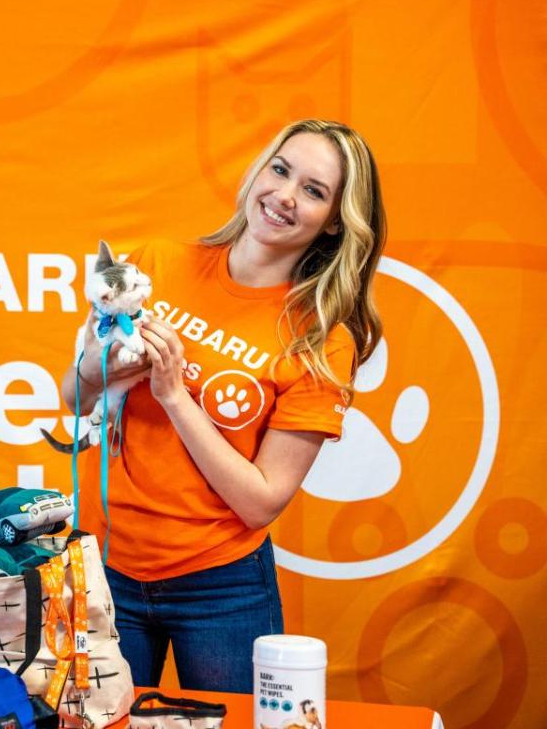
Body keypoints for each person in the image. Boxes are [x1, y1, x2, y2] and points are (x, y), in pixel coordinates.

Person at [62, 119, 385, 693]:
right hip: (100, 565)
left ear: (336, 219)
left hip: (220, 586)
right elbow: (75, 395)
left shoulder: (321, 338)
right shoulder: (155, 264)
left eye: (313, 190)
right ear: (258, 171)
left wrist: (172, 394)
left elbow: (261, 502)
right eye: (280, 169)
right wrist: (100, 366)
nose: (284, 195)